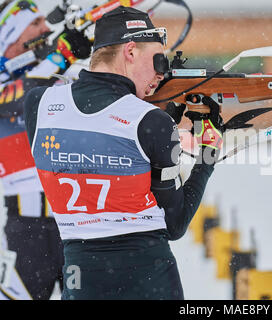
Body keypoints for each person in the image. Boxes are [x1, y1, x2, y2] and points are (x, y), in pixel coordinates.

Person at [23, 6, 224, 300]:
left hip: (80, 278)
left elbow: (95, 126)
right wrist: (209, 153)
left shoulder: (38, 105)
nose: (161, 72)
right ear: (130, 52)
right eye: (159, 60)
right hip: (148, 278)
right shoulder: (151, 123)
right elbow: (175, 222)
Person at [0, 0, 91, 299]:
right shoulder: (16, 82)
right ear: (10, 35)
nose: (45, 28)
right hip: (25, 232)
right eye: (35, 23)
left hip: (80, 225)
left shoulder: (57, 74)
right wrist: (60, 55)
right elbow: (20, 95)